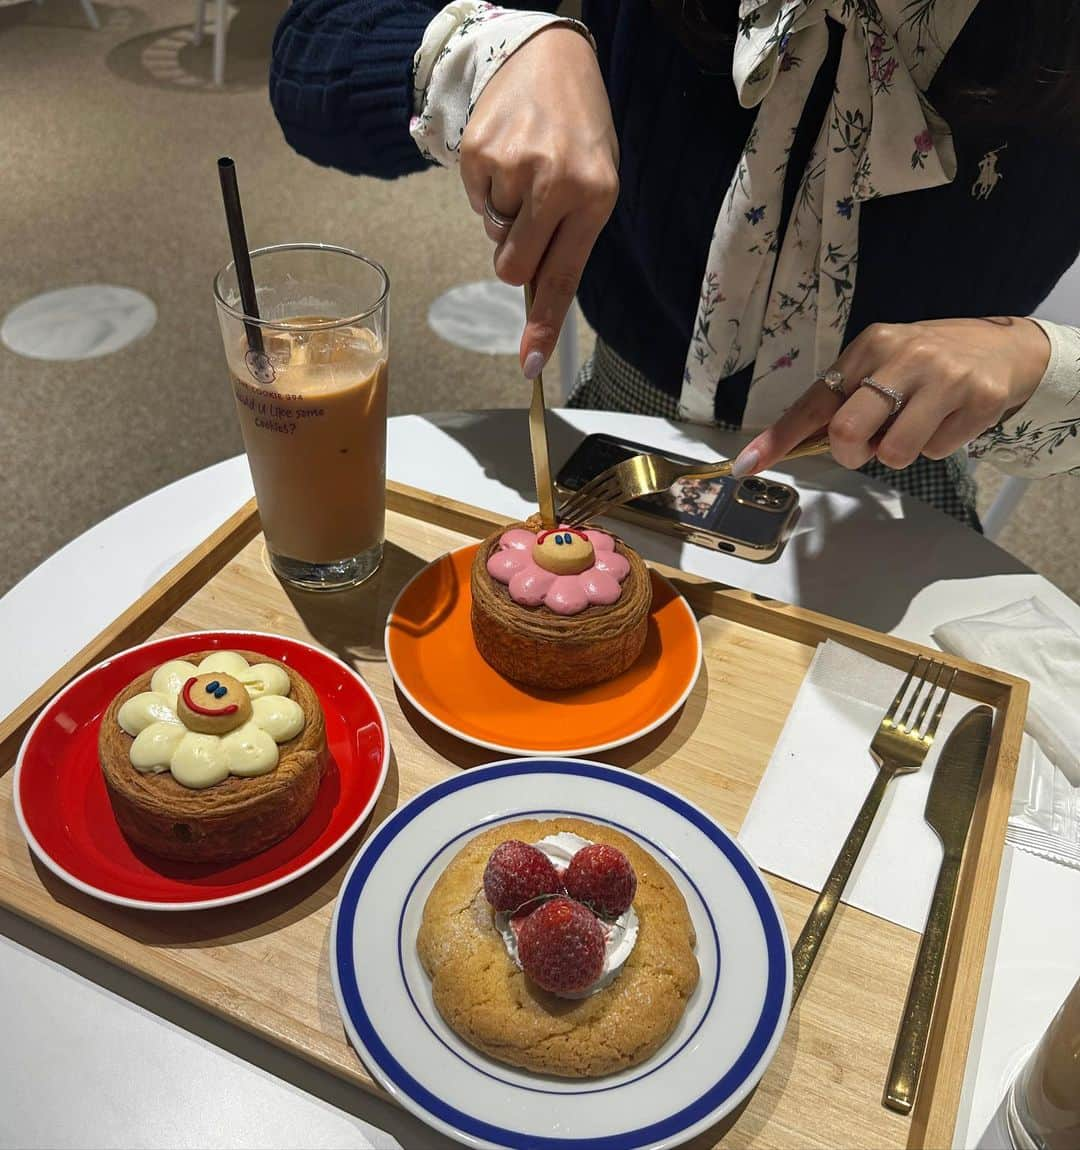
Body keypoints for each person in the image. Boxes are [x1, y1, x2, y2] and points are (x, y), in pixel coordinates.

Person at [270, 0, 1080, 527]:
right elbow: (311, 58)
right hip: (619, 427)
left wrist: (1031, 356)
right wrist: (501, 51)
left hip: (906, 482)